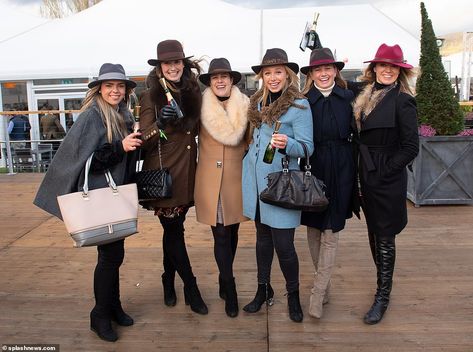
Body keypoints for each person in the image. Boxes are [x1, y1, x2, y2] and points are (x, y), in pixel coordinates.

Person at [34, 63, 142, 342]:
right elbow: (84, 161)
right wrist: (121, 147)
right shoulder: (92, 116)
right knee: (109, 257)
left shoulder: (123, 115)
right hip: (98, 196)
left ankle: (113, 306)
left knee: (114, 254)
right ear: (99, 89)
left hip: (114, 194)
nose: (115, 91)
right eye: (110, 86)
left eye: (120, 86)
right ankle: (100, 315)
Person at [242, 48, 314, 323]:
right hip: (256, 184)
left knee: (284, 245)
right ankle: (263, 289)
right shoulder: (257, 102)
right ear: (262, 76)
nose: (273, 77)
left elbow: (308, 148)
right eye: (268, 73)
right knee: (262, 241)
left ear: (288, 74)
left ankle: (293, 295)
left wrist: (289, 145)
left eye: (278, 72)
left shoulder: (299, 105)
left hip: (282, 185)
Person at [139, 39, 208, 315]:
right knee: (173, 230)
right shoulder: (150, 97)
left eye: (177, 62)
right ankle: (190, 286)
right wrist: (160, 123)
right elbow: (143, 139)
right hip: (164, 175)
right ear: (160, 67)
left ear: (184, 64)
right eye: (167, 63)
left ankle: (168, 279)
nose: (173, 67)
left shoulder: (195, 92)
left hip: (188, 173)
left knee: (174, 229)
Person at [352, 43, 419, 324]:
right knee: (372, 232)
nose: (387, 70)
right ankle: (383, 281)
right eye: (382, 65)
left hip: (385, 177)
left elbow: (411, 147)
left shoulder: (403, 100)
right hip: (365, 175)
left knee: (385, 235)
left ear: (400, 71)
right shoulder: (366, 95)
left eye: (393, 66)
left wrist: (386, 171)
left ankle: (382, 296)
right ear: (374, 69)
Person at [299, 48, 357, 319]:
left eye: (328, 69)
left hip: (343, 166)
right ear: (311, 74)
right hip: (313, 166)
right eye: (317, 70)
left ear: (336, 70)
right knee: (314, 227)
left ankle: (318, 292)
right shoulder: (302, 102)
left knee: (332, 229)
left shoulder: (349, 98)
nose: (323, 74)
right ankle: (325, 284)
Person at [194, 58, 249, 318]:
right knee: (221, 235)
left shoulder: (246, 105)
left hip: (236, 178)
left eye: (224, 76)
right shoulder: (199, 105)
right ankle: (230, 284)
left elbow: (251, 141)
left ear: (232, 80)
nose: (219, 80)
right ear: (210, 81)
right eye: (215, 77)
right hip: (210, 178)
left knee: (233, 231)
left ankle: (223, 277)